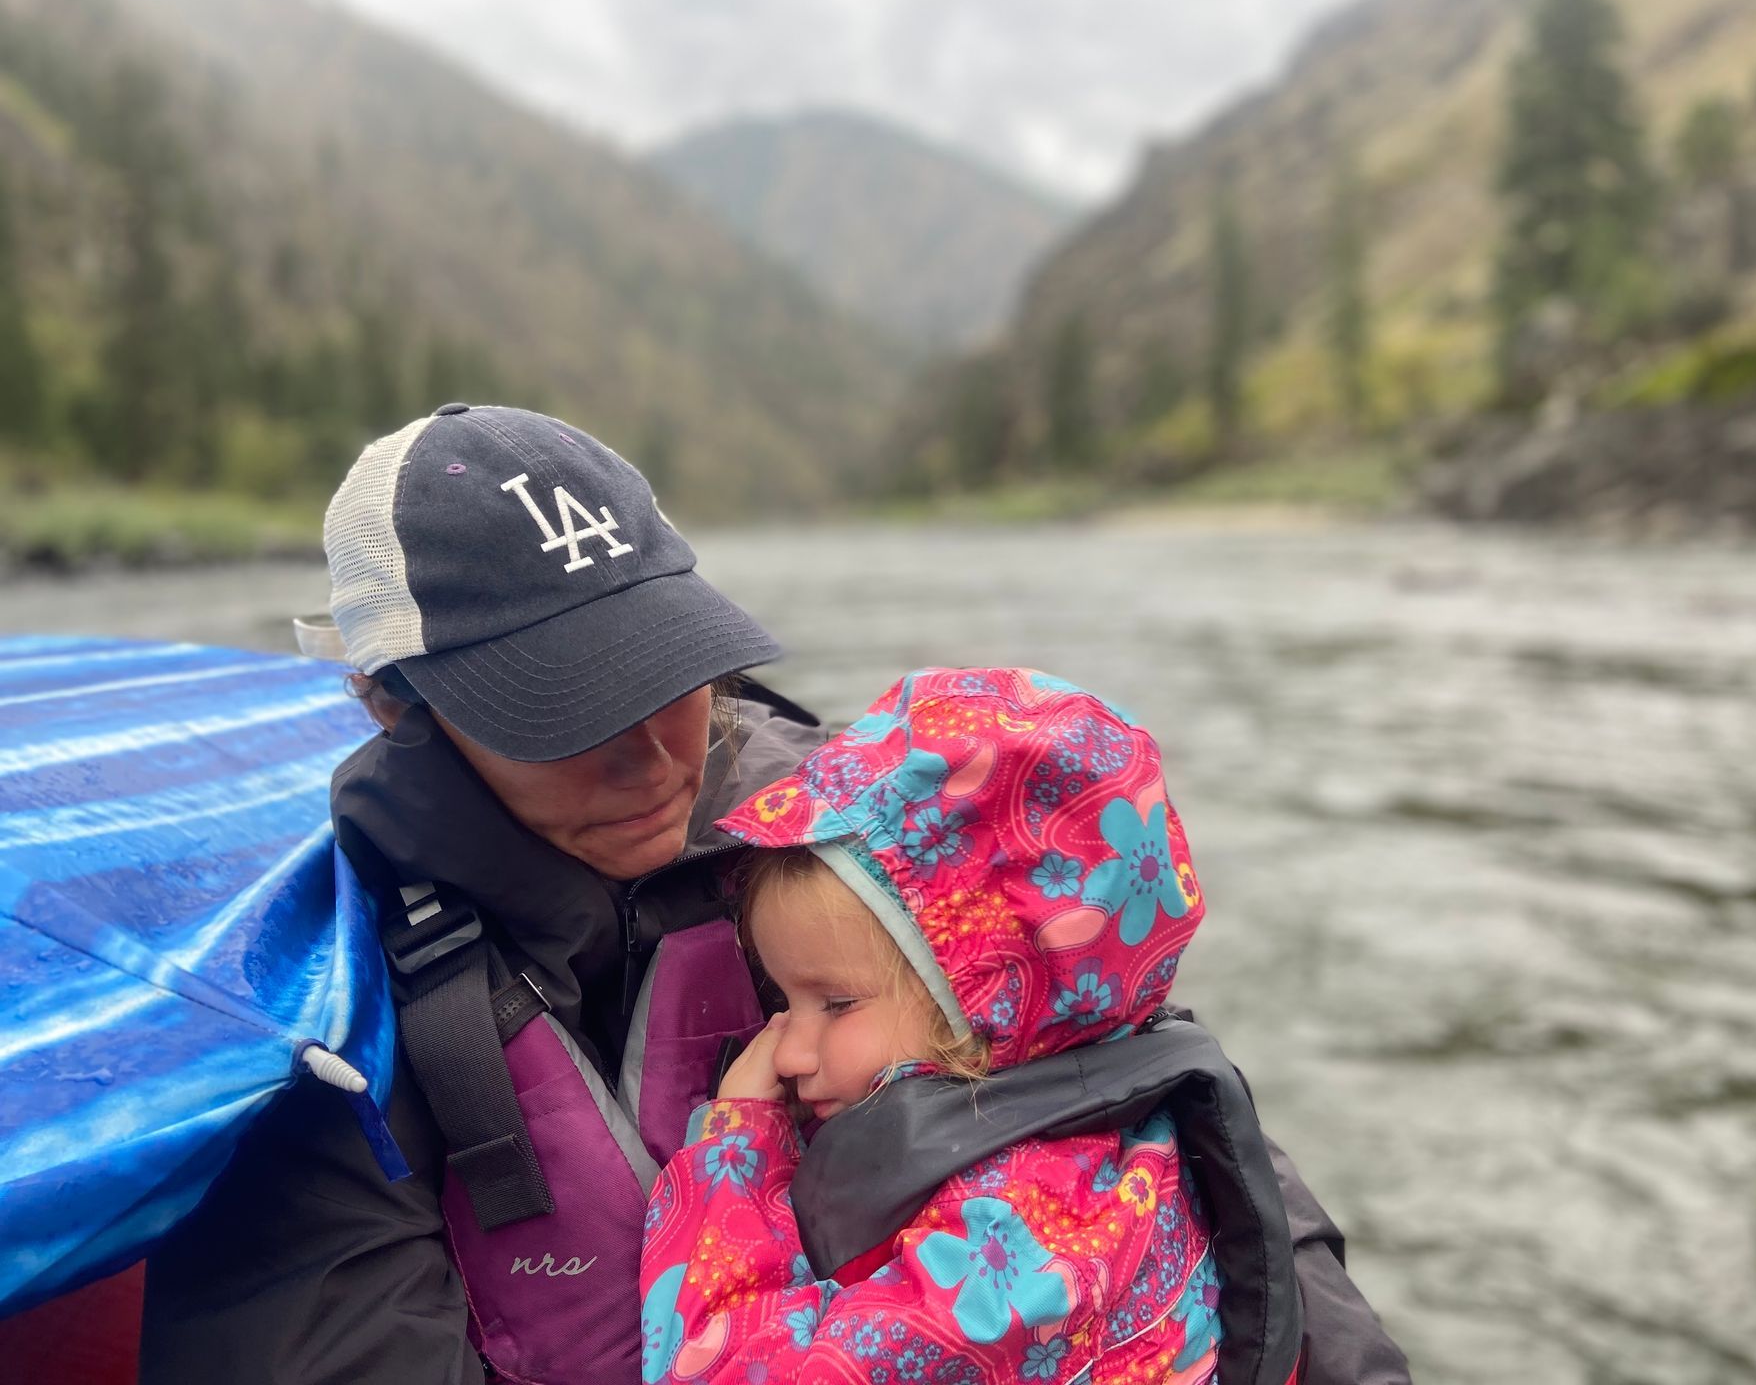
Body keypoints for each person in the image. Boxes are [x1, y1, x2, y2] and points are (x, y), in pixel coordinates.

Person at [138, 405, 1410, 1385]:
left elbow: (1148, 1095)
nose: (654, 759)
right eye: (563, 709)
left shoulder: (870, 843)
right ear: (396, 706)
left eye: (665, 673)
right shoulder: (316, 1000)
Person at [640, 667, 1290, 1384]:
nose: (787, 1052)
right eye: (783, 998)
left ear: (988, 1002)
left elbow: (722, 1373)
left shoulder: (1008, 1241)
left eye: (837, 1004)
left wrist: (735, 1152)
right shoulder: (1115, 1136)